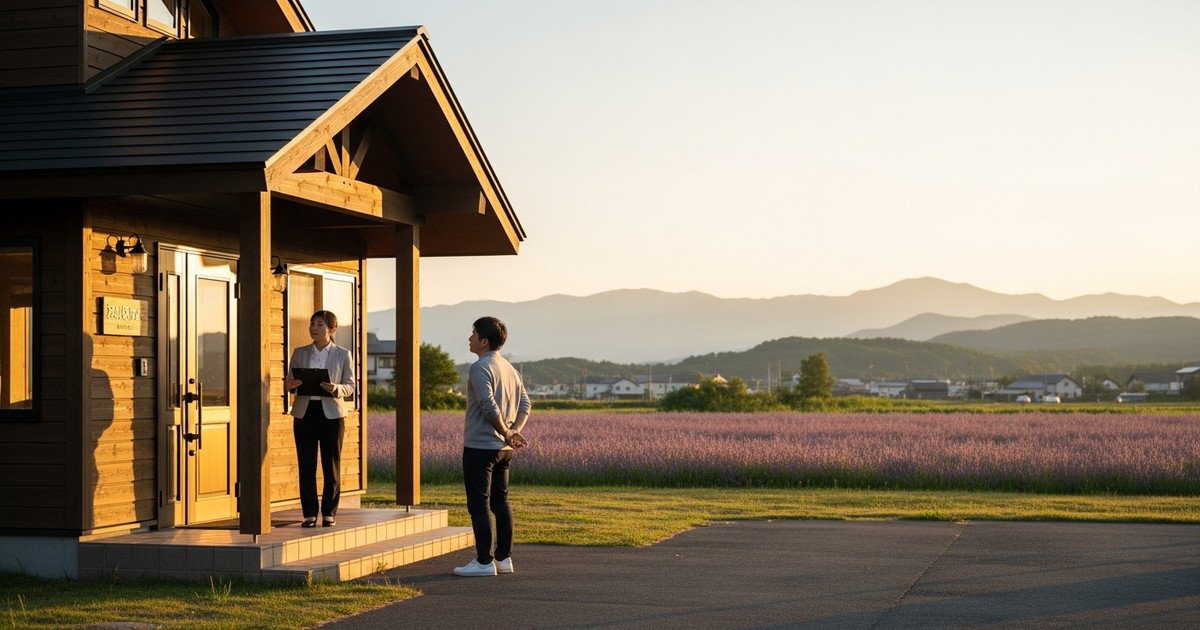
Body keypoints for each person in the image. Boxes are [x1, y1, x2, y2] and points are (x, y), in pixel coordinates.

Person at [453, 316, 531, 577]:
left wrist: (507, 432)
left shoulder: (480, 367)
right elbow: (525, 405)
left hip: (480, 446)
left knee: (479, 504)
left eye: (473, 334)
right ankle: (503, 558)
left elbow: (488, 407)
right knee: (502, 501)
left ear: (484, 341)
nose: (469, 338)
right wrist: (513, 432)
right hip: (503, 450)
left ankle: (484, 562)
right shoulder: (510, 368)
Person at [285, 310, 355, 528]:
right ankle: (309, 513)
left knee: (330, 465)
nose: (314, 328)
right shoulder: (299, 352)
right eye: (312, 323)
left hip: (332, 415)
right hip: (304, 412)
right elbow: (288, 381)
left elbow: (351, 386)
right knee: (305, 464)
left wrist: (336, 388)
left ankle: (328, 512)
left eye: (320, 324)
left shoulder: (343, 354)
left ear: (332, 329)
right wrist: (288, 386)